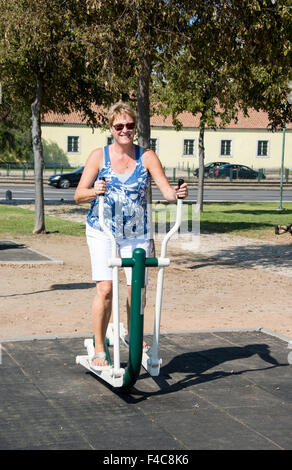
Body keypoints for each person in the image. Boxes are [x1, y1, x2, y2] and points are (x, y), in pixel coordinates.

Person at [74, 101, 188, 370]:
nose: (125, 130)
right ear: (111, 128)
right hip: (103, 229)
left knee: (136, 291)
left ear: (135, 128)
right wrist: (95, 190)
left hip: (136, 232)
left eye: (130, 126)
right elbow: (79, 194)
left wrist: (177, 194)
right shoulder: (98, 156)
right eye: (119, 126)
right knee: (105, 288)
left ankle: (132, 334)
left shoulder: (146, 157)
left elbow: (167, 191)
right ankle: (100, 347)